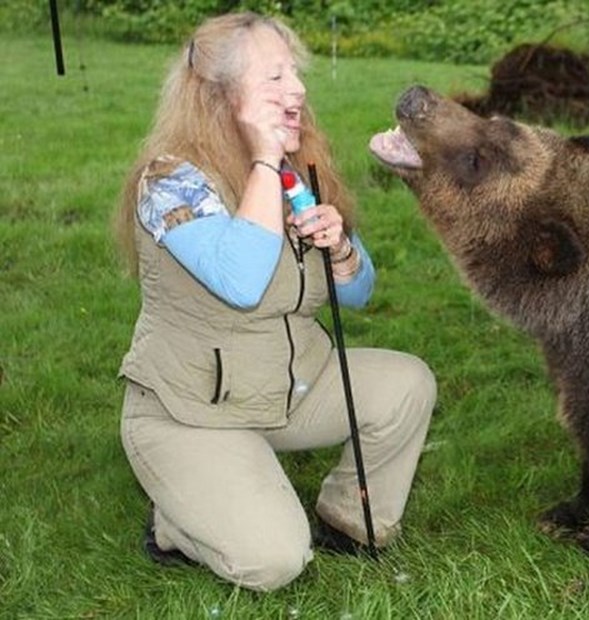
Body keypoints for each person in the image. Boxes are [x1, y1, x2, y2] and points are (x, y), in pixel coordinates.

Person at [114, 12, 436, 591]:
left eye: (297, 75)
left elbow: (360, 294)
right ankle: (177, 520)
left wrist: (340, 248)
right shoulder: (171, 183)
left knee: (408, 383)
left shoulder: (295, 174)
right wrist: (264, 162)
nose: (299, 91)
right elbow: (240, 279)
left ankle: (349, 519)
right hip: (191, 412)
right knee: (275, 560)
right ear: (217, 97)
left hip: (289, 388)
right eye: (275, 78)